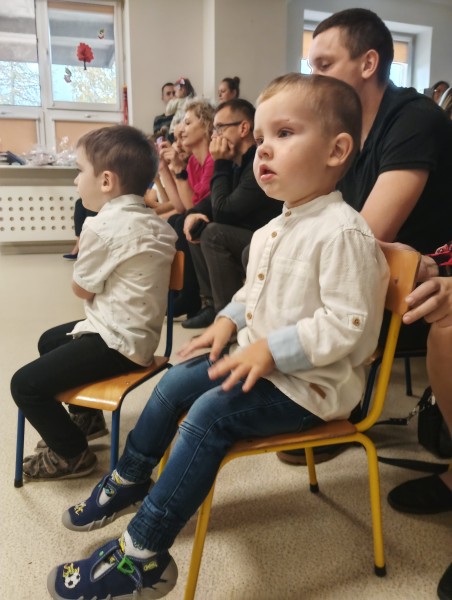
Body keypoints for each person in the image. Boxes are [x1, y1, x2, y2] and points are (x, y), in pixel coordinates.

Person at [46, 73, 389, 600]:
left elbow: (349, 325)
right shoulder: (274, 228)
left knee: (209, 414)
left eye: (284, 134)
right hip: (259, 364)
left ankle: (144, 553)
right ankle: (132, 477)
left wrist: (270, 348)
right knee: (175, 381)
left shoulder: (343, 231)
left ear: (337, 150)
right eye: (263, 137)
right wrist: (228, 321)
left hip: (311, 388)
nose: (263, 149)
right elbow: (252, 294)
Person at [277, 6, 452, 465]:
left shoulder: (414, 119)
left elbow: (365, 235)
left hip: (422, 274)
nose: (314, 78)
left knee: (321, 269)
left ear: (368, 63)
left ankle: (333, 404)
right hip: (382, 263)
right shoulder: (345, 128)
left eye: (324, 64)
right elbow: (312, 211)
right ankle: (299, 393)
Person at [10, 125, 177, 481]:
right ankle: (87, 419)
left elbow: (81, 290)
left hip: (114, 342)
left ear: (106, 181)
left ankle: (71, 453)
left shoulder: (101, 227)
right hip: (141, 338)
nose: (75, 180)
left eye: (79, 170)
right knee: (50, 341)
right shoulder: (160, 225)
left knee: (24, 385)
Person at [181, 98, 281, 329]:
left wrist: (220, 163)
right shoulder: (237, 162)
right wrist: (193, 213)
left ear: (243, 128)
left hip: (265, 238)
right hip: (247, 234)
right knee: (197, 225)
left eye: (220, 128)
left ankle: (227, 319)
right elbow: (212, 202)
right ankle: (210, 304)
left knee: (214, 233)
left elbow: (224, 212)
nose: (214, 136)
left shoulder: (258, 162)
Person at [159, 100, 216, 318]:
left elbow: (190, 207)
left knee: (182, 221)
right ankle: (179, 291)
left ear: (206, 125)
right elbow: (182, 205)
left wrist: (177, 168)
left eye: (188, 123)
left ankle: (190, 295)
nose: (181, 129)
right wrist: (165, 168)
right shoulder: (193, 163)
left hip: (213, 217)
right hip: (198, 214)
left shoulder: (212, 159)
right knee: (177, 220)